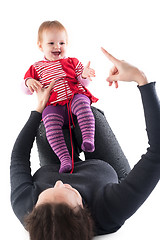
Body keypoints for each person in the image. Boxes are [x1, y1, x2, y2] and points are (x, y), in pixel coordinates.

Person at [10, 48, 160, 240]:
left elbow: (18, 158)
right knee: (91, 117)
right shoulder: (112, 209)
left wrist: (39, 109)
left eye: (45, 193)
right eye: (66, 190)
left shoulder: (26, 208)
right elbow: (156, 153)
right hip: (104, 172)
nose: (58, 182)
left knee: (45, 128)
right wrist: (142, 79)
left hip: (57, 162)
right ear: (83, 209)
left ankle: (61, 117)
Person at [23, 20, 98, 173]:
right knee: (49, 124)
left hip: (73, 97)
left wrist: (84, 75)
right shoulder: (37, 67)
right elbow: (26, 89)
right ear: (40, 46)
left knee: (83, 104)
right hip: (53, 105)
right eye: (51, 43)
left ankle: (88, 138)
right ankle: (64, 158)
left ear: (67, 44)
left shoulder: (72, 62)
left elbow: (82, 81)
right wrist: (29, 82)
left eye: (62, 43)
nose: (57, 46)